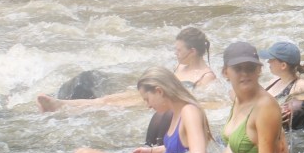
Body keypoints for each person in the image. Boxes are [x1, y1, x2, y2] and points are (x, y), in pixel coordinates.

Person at [78, 42, 291, 153]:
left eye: (250, 68)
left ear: (259, 71)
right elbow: (280, 146)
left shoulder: (265, 107)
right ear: (226, 72)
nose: (244, 74)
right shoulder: (238, 96)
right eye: (238, 68)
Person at [33, 68, 212, 153]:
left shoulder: (189, 111)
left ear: (159, 91)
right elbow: (183, 148)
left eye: (146, 99)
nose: (147, 105)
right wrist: (152, 152)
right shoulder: (177, 111)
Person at [37, 27, 217, 112]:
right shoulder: (180, 65)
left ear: (192, 52)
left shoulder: (206, 76)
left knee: (110, 104)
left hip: (162, 102)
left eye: (179, 50)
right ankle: (60, 104)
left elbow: (199, 102)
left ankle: (62, 106)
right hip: (152, 95)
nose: (175, 53)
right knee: (106, 99)